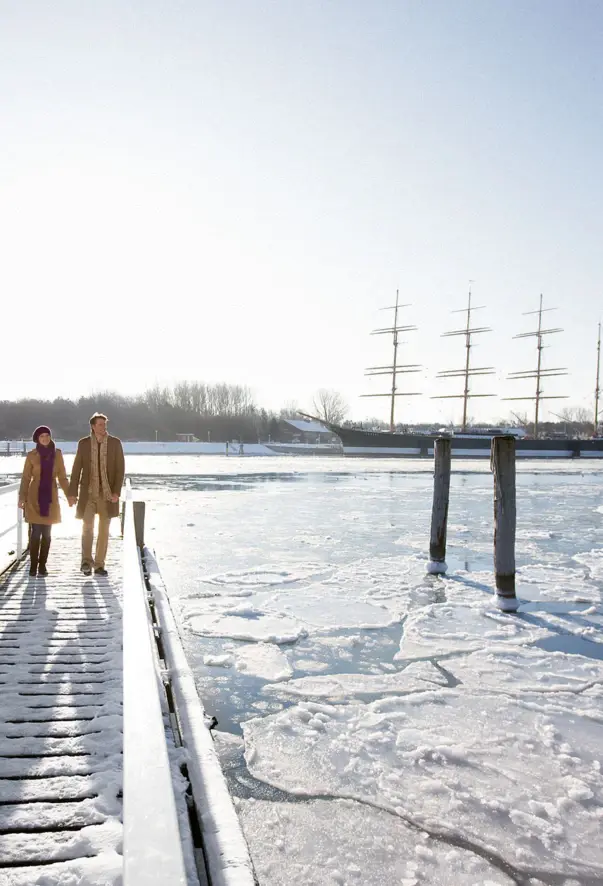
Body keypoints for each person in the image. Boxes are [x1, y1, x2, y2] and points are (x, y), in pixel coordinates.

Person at [68, 412, 125, 577]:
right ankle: (86, 562)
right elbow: (76, 469)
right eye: (100, 424)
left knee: (104, 530)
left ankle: (99, 564)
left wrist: (116, 492)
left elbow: (120, 470)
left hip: (107, 495)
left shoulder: (115, 443)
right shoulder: (84, 444)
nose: (103, 427)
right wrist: (72, 493)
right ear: (93, 426)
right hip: (88, 494)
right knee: (87, 528)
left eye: (104, 424)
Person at [18, 426, 71, 577]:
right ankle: (33, 565)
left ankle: (42, 565)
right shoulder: (31, 456)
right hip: (34, 496)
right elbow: (26, 478)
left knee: (47, 534)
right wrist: (22, 497)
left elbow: (62, 477)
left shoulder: (57, 454)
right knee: (35, 534)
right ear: (37, 439)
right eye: (42, 436)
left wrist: (70, 495)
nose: (45, 438)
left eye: (47, 435)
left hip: (51, 498)